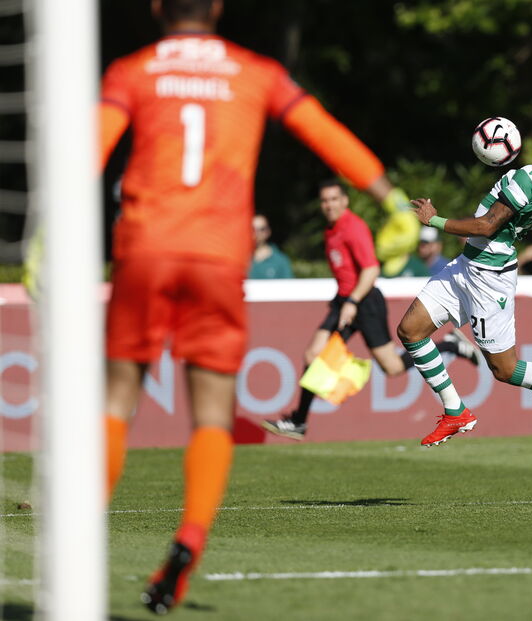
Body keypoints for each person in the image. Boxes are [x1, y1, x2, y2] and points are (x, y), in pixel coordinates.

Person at [99, 0, 412, 612]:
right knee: (212, 414)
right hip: (218, 257)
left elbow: (91, 146)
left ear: (158, 8)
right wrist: (392, 200)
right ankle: (189, 541)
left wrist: (47, 230)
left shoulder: (133, 70)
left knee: (116, 399)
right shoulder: (256, 72)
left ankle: (81, 536)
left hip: (145, 248)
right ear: (217, 8)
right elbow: (325, 132)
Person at [396, 126, 532, 447]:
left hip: (489, 278)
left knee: (505, 370)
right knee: (410, 331)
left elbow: (487, 226)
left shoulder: (531, 177)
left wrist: (434, 220)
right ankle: (455, 410)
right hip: (469, 264)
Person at [261, 180, 480, 440]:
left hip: (363, 303)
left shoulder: (352, 227)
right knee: (313, 355)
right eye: (325, 200)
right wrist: (346, 302)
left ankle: (451, 345)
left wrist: (353, 302)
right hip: (345, 302)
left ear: (345, 201)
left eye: (334, 199)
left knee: (393, 367)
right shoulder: (331, 230)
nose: (329, 205)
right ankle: (299, 421)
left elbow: (371, 269)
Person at [249, 214, 293, 279]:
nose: (257, 233)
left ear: (268, 231)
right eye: (253, 229)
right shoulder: (239, 259)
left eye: (261, 229)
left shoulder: (280, 260)